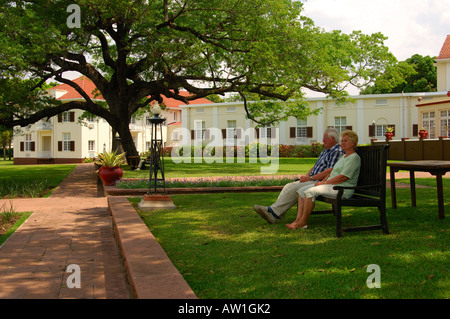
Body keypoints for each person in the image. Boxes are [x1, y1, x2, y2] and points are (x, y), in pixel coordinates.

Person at [254, 128, 344, 224]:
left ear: (333, 138)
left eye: (325, 138)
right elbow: (315, 166)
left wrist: (310, 178)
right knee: (288, 186)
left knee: (296, 188)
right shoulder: (326, 151)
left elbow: (330, 171)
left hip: (320, 181)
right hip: (312, 178)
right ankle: (274, 212)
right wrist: (306, 176)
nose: (323, 141)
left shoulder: (336, 151)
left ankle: (273, 212)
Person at [286, 130, 361, 230]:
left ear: (353, 143)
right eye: (342, 140)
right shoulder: (344, 156)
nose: (342, 143)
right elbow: (332, 172)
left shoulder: (354, 158)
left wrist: (324, 183)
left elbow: (343, 177)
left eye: (345, 141)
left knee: (310, 192)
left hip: (343, 188)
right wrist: (323, 182)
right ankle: (297, 220)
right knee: (301, 191)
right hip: (332, 185)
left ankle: (303, 222)